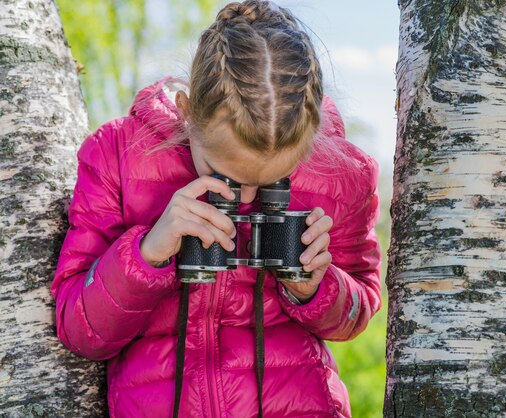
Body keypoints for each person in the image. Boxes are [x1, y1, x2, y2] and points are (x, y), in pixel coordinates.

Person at [51, 1, 382, 417]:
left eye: (270, 184)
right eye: (224, 176)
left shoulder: (340, 176)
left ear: (311, 135)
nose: (244, 198)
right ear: (188, 113)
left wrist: (317, 287)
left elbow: (357, 314)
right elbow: (80, 331)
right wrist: (147, 253)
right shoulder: (119, 155)